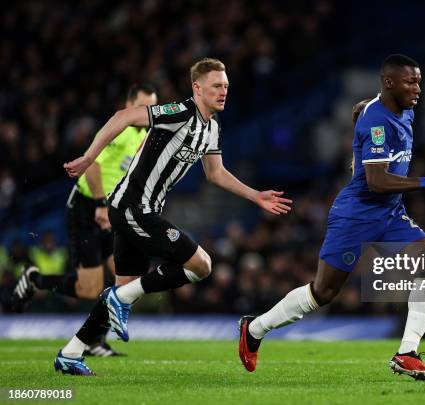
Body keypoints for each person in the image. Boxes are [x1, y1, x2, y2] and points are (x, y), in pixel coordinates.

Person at [55, 58, 292, 376]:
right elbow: (124, 116)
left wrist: (255, 196)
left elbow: (216, 173)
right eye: (216, 86)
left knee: (127, 290)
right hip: (133, 208)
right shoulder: (178, 113)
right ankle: (119, 297)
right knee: (201, 265)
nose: (223, 92)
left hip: (140, 210)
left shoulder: (212, 128)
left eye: (226, 86)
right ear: (197, 88)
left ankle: (70, 353)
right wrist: (88, 157)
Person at [238, 54, 425, 380]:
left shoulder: (401, 108)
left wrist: (363, 114)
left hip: (390, 214)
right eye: (411, 81)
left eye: (419, 81)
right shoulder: (378, 123)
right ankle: (254, 328)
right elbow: (377, 181)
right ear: (389, 83)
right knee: (323, 293)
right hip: (356, 214)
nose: (418, 88)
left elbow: (362, 108)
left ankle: (407, 353)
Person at [11, 83, 158, 356]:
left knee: (127, 280)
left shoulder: (144, 135)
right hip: (88, 208)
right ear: (129, 105)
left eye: (151, 107)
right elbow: (94, 163)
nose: (146, 112)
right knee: (89, 288)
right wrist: (101, 205)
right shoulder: (121, 129)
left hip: (111, 212)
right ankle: (35, 281)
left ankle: (94, 340)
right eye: (142, 106)